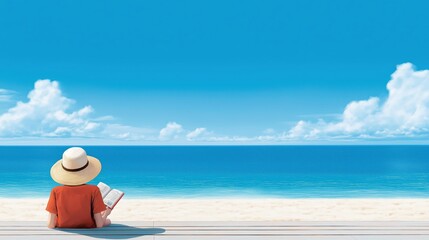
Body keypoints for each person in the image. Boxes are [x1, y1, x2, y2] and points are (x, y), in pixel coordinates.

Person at [46, 147, 112, 228]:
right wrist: (106, 214)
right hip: (88, 225)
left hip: (63, 225)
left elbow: (50, 225)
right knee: (108, 221)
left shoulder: (56, 191)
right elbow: (99, 225)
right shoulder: (93, 190)